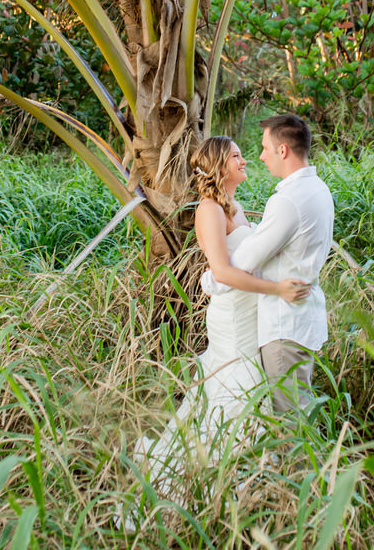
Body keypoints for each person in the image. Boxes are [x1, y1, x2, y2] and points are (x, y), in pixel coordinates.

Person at [132, 135, 310, 495]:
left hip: (250, 312)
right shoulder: (209, 210)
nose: (244, 161)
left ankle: (244, 469)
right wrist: (278, 290)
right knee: (237, 384)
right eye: (236, 156)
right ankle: (217, 473)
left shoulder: (235, 206)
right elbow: (223, 271)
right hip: (231, 315)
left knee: (249, 384)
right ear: (218, 165)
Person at [201, 114, 334, 413]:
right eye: (237, 155)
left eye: (264, 148)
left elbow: (245, 259)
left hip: (283, 324)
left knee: (289, 417)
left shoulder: (287, 200)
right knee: (284, 408)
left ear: (283, 150)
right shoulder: (318, 189)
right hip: (273, 319)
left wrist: (212, 279)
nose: (257, 157)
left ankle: (300, 462)